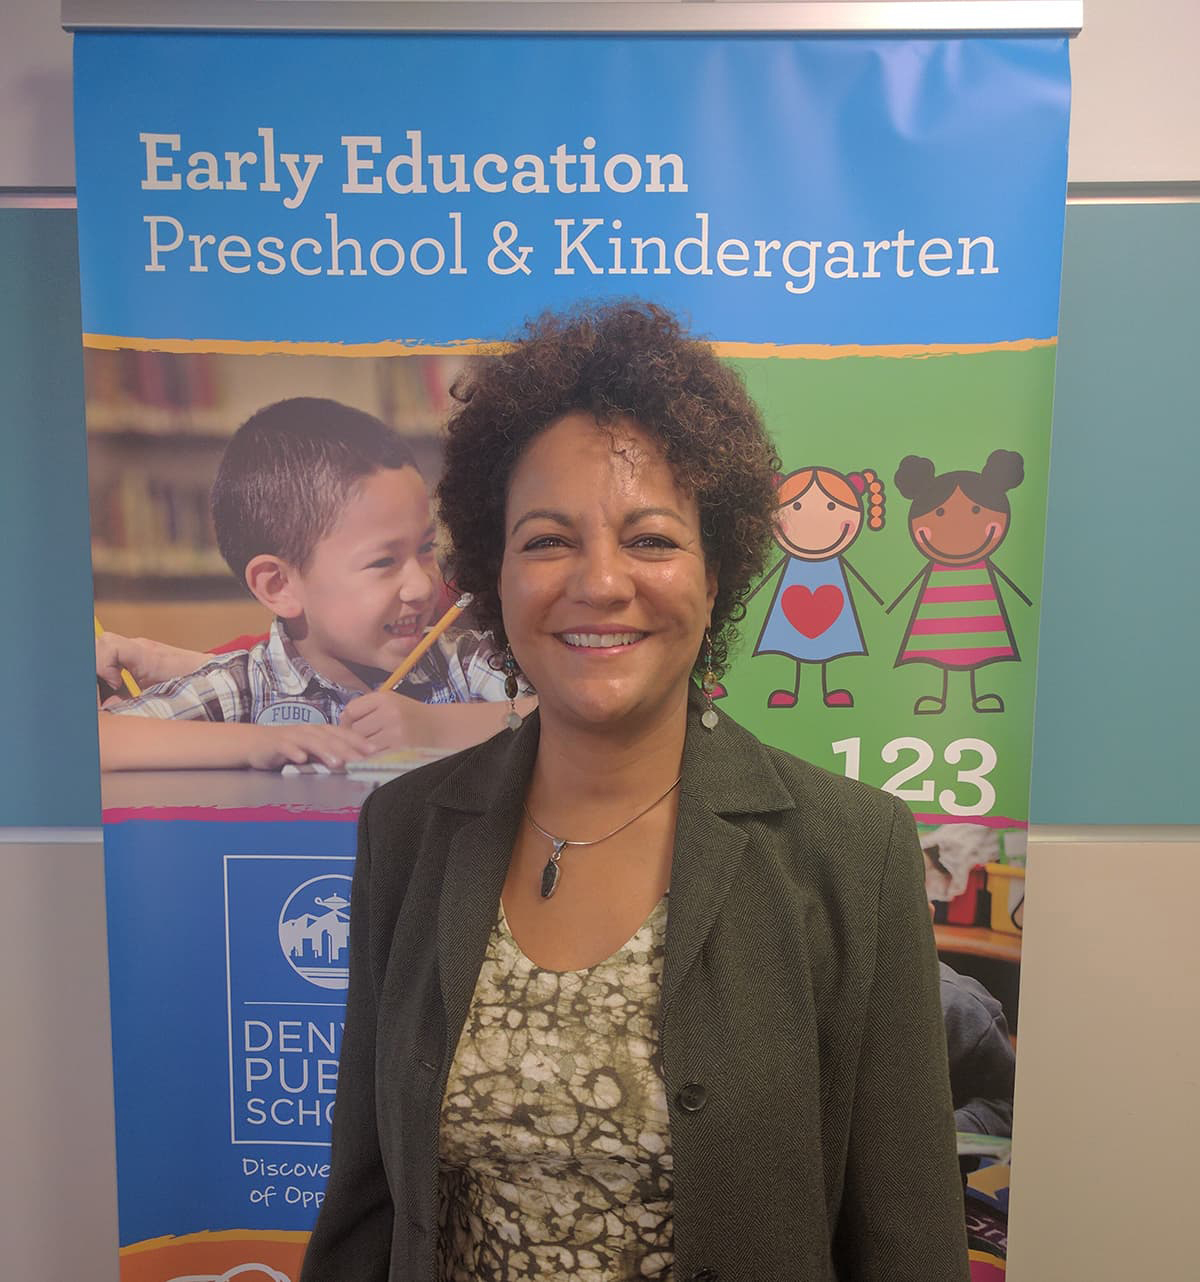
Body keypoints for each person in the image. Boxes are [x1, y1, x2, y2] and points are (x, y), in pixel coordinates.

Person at [302, 303, 969, 1281]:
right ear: (493, 570)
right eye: (547, 540)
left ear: (717, 571)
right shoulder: (407, 830)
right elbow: (363, 1209)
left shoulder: (851, 850)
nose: (601, 581)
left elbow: (909, 1244)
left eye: (652, 539)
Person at [98, 397, 533, 771]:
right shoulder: (243, 688)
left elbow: (584, 721)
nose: (422, 586)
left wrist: (438, 728)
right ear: (278, 586)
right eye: (383, 561)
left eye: (425, 548)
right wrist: (262, 742)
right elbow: (94, 741)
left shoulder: (462, 662)